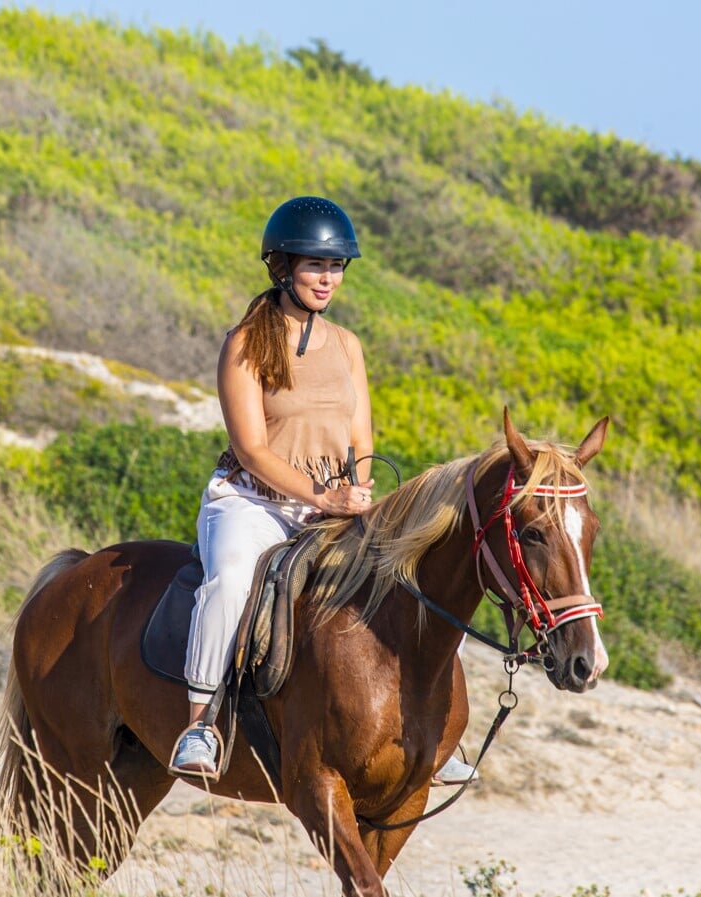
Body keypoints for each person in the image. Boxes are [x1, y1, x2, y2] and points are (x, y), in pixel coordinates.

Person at [168, 196, 475, 786]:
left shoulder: (347, 345)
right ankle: (201, 723)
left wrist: (357, 490)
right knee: (231, 578)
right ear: (283, 266)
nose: (327, 279)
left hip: (331, 507)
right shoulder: (244, 345)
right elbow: (253, 450)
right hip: (252, 504)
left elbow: (361, 437)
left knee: (411, 580)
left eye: (336, 267)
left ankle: (434, 731)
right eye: (315, 266)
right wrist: (323, 496)